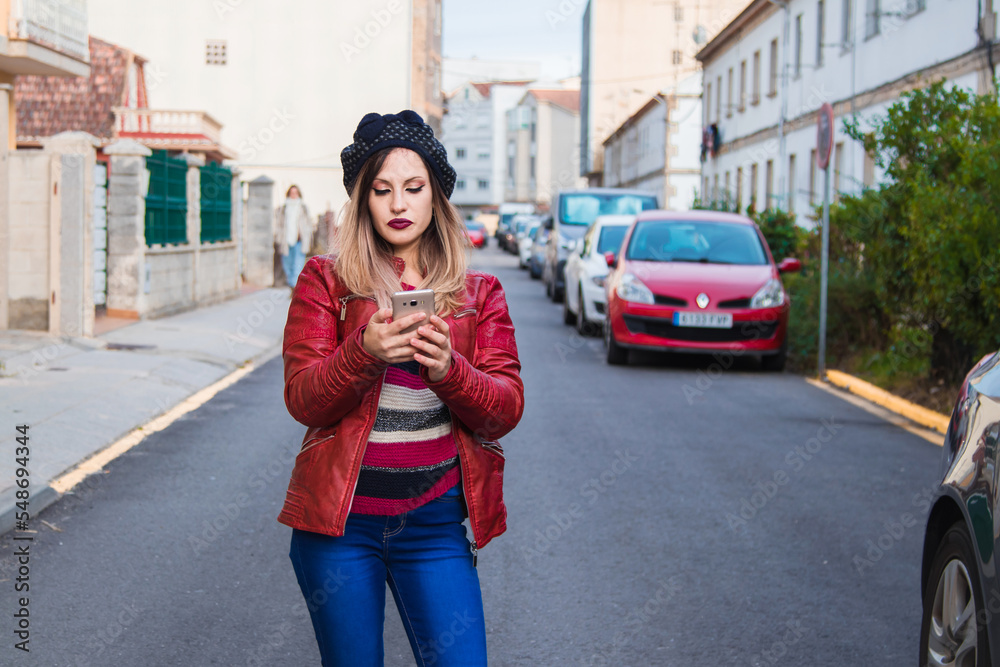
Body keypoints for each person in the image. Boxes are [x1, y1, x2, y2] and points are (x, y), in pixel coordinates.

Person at [277, 109, 524, 666]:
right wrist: (363, 354)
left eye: (414, 188)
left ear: (435, 197)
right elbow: (304, 399)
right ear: (363, 198)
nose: (398, 204)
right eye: (382, 189)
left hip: (434, 529)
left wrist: (450, 371)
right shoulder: (327, 280)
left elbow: (504, 409)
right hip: (339, 530)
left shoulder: (478, 292)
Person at [275, 185, 313, 287]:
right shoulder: (283, 209)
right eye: (291, 193)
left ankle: (294, 288)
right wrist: (278, 238)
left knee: (297, 266)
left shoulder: (303, 208)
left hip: (299, 241)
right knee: (287, 266)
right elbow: (278, 224)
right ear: (288, 194)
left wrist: (307, 238)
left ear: (299, 194)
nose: (293, 195)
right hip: (286, 242)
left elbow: (309, 224)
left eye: (295, 193)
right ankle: (292, 286)